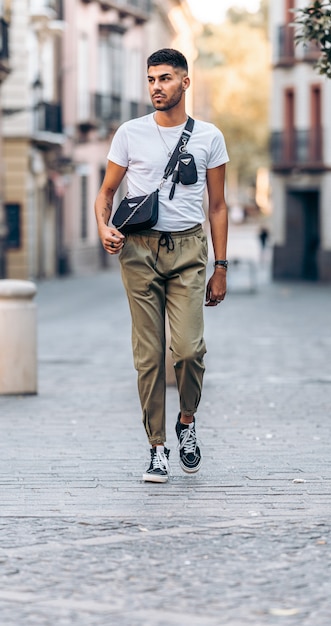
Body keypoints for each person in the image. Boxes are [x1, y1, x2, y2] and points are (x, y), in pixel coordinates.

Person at [94, 48, 229, 483]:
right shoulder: (129, 134)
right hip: (138, 251)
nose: (157, 87)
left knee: (189, 349)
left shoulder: (209, 136)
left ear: (185, 83)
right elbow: (106, 193)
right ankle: (157, 447)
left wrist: (220, 266)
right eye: (151, 79)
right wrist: (103, 227)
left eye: (166, 78)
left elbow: (219, 206)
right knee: (149, 356)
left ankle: (186, 422)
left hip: (189, 249)